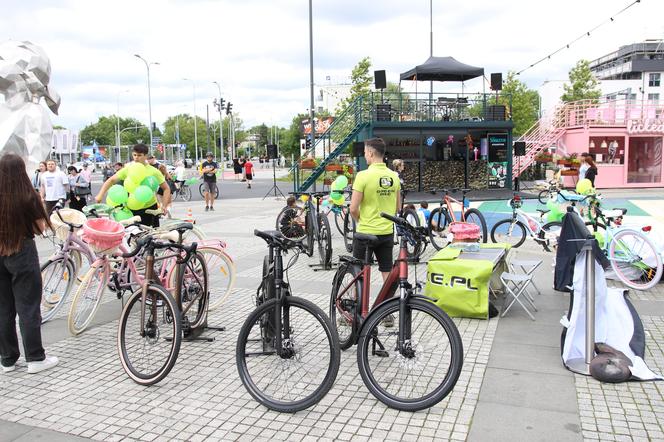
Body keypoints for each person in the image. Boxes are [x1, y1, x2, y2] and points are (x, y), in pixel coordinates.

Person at [0, 154, 59, 374]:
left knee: (3, 309)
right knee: (28, 307)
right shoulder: (28, 195)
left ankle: (7, 359)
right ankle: (35, 358)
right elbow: (39, 229)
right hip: (22, 252)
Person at [349, 138, 401, 282]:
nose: (365, 155)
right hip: (387, 232)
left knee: (358, 272)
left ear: (371, 153)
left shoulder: (362, 176)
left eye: (365, 152)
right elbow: (398, 207)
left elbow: (353, 208)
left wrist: (361, 219)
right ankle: (389, 303)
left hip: (366, 232)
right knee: (387, 271)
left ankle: (356, 301)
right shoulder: (394, 176)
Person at [95, 144, 171, 227]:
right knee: (131, 235)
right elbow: (111, 180)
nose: (136, 158)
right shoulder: (129, 168)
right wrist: (100, 195)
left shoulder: (154, 171)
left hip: (149, 208)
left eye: (139, 155)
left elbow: (166, 188)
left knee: (151, 236)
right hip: (132, 206)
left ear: (145, 156)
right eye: (134, 155)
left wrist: (164, 205)